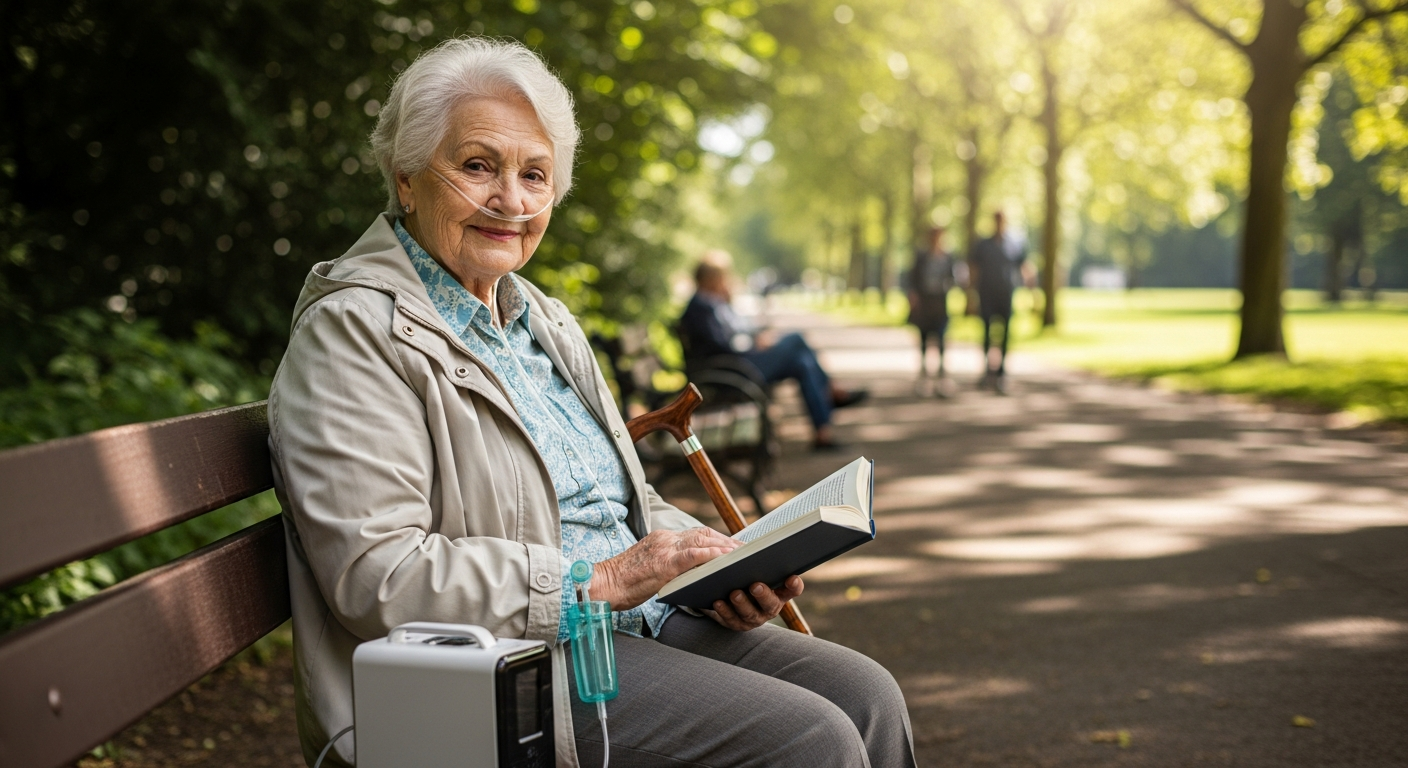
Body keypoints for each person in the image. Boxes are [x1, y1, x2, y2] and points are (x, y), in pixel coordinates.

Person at [268, 38, 914, 768]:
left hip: (624, 628)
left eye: (534, 175)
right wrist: (602, 580)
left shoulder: (538, 320)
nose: (511, 201)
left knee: (867, 694)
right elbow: (377, 574)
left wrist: (716, 567)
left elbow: (620, 509)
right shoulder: (354, 330)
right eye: (478, 165)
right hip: (490, 669)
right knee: (810, 736)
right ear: (408, 177)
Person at [678, 253, 868, 450]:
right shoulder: (701, 308)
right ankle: (831, 393)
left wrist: (753, 335)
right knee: (796, 340)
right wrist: (753, 343)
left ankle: (823, 433)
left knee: (802, 363)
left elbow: (734, 331)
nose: (728, 280)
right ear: (713, 279)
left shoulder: (712, 303)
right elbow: (722, 345)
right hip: (736, 370)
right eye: (724, 276)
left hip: (739, 364)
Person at [968, 211, 1031, 394]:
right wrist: (971, 294)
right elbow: (974, 268)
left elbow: (1024, 266)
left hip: (1006, 294)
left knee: (1005, 334)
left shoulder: (1015, 243)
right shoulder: (982, 245)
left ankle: (1002, 372)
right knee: (986, 332)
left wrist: (1031, 290)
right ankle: (987, 371)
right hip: (986, 294)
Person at [904, 226, 963, 397]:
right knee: (923, 339)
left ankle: (941, 378)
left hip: (940, 304)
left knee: (941, 339)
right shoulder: (921, 256)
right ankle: (924, 376)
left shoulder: (948, 257)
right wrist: (913, 296)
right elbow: (912, 279)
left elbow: (953, 278)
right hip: (924, 304)